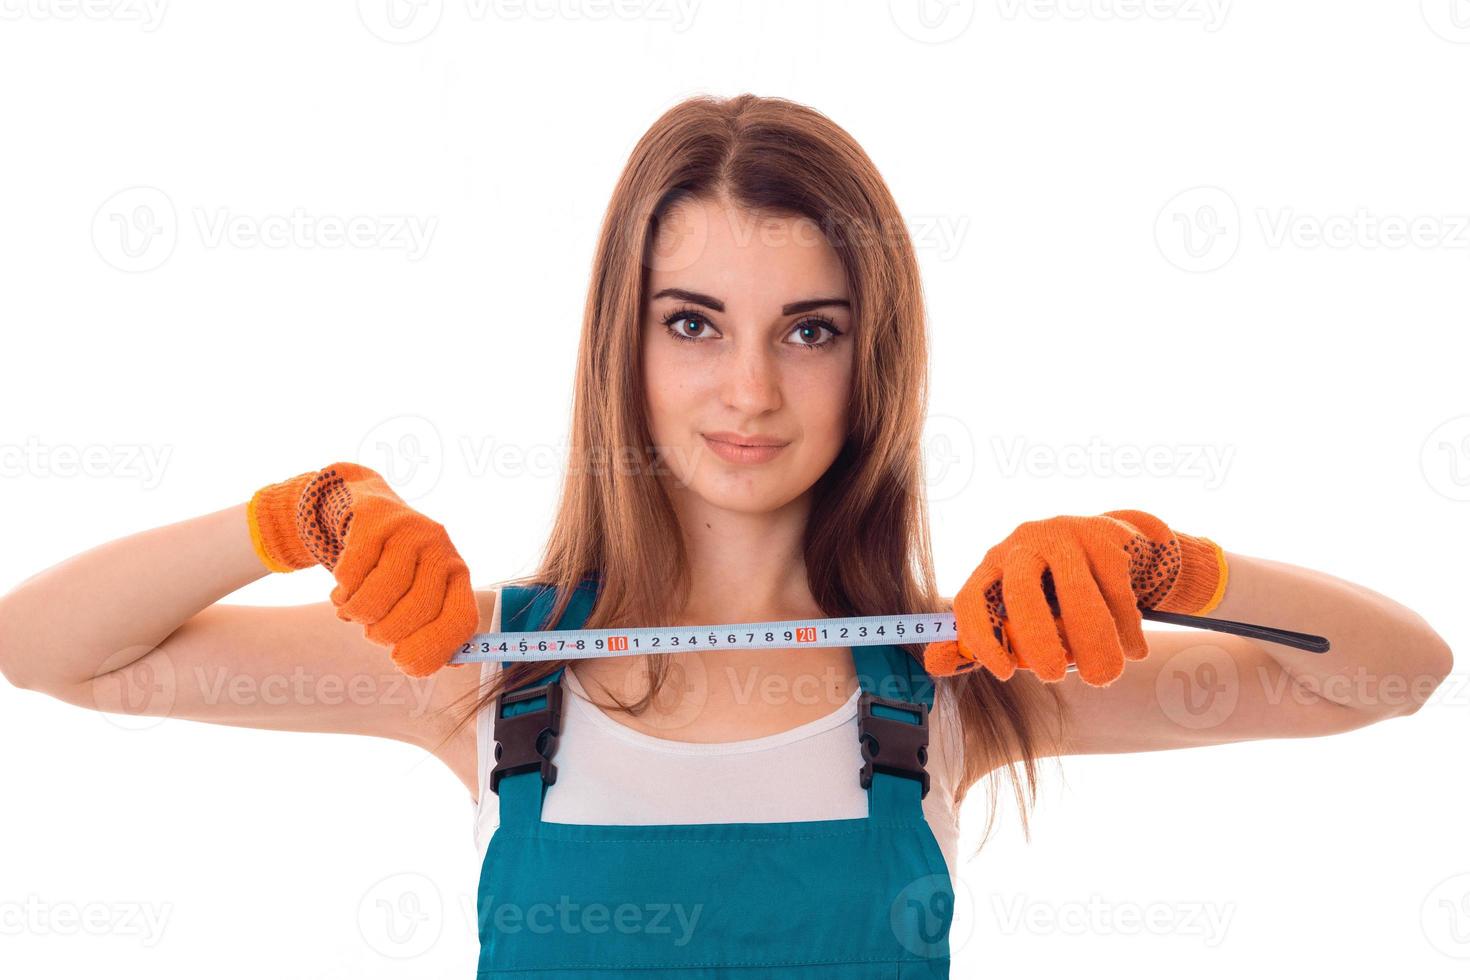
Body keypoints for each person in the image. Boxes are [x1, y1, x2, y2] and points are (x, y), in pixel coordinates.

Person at [0, 93, 1453, 977]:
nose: (749, 390)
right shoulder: (481, 662)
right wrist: (297, 517)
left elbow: (1392, 677)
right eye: (692, 323)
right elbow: (57, 653)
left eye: (808, 330)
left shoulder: (962, 672)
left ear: (867, 359)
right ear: (618, 349)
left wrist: (1168, 566)